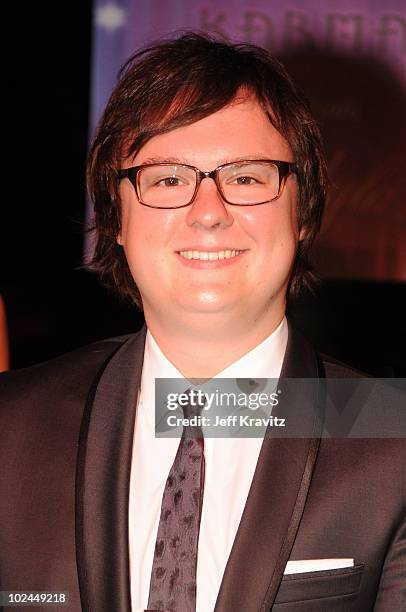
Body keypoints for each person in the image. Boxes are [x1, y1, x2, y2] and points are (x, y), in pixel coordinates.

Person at [0, 33, 405, 612]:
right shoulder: (9, 430)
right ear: (115, 218)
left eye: (246, 177)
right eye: (167, 178)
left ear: (303, 212)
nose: (208, 211)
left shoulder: (394, 438)